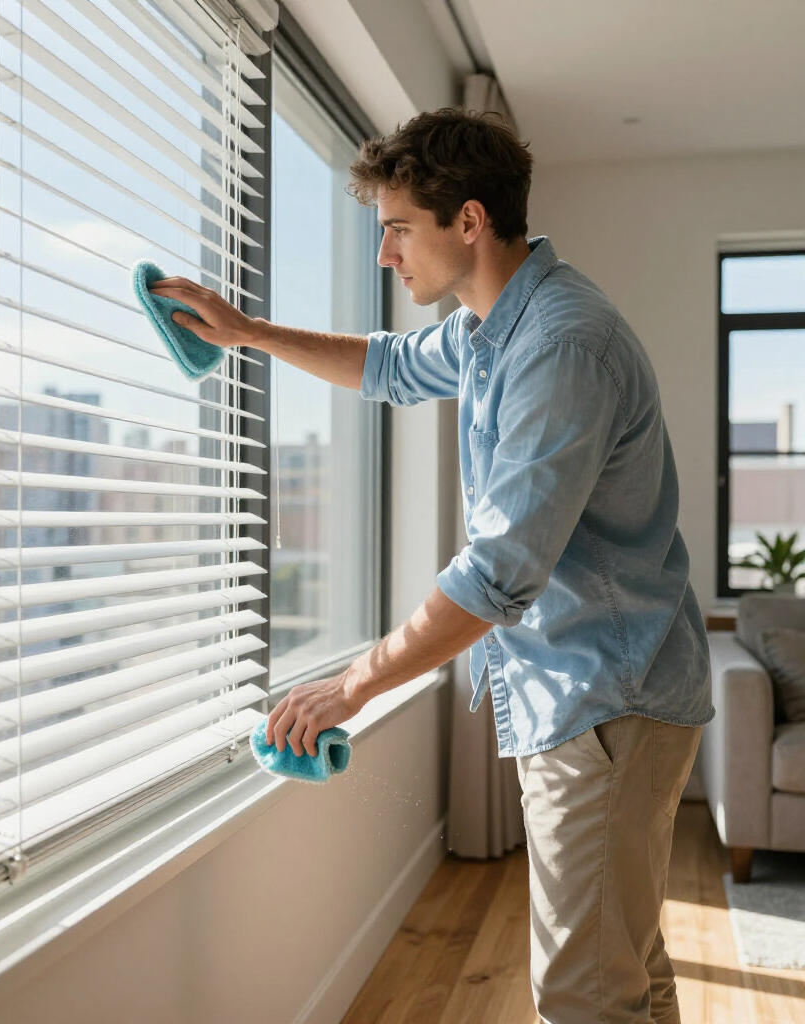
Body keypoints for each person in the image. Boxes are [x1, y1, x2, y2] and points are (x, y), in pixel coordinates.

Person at [150, 108, 712, 1024]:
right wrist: (245, 331)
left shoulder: (559, 346)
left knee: (583, 996)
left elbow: (498, 574)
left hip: (607, 700)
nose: (384, 254)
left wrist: (351, 687)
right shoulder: (493, 328)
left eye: (398, 229)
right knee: (627, 969)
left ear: (470, 222)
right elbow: (385, 367)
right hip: (593, 692)